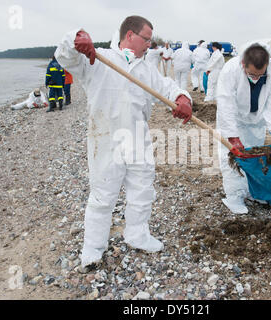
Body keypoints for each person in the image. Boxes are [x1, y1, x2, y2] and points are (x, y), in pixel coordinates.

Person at [54, 15, 193, 269]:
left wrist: (182, 97)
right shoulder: (98, 59)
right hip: (105, 139)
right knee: (103, 195)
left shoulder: (146, 68)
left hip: (138, 137)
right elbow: (65, 57)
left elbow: (166, 87)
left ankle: (137, 235)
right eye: (146, 39)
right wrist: (76, 38)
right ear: (130, 35)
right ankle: (93, 247)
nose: (149, 45)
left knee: (142, 190)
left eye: (151, 41)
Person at [216, 41, 271, 214]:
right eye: (251, 74)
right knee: (232, 158)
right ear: (243, 64)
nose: (255, 78)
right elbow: (225, 103)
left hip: (256, 121)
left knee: (254, 157)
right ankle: (234, 196)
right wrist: (233, 137)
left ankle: (251, 191)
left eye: (260, 75)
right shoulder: (231, 69)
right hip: (233, 120)